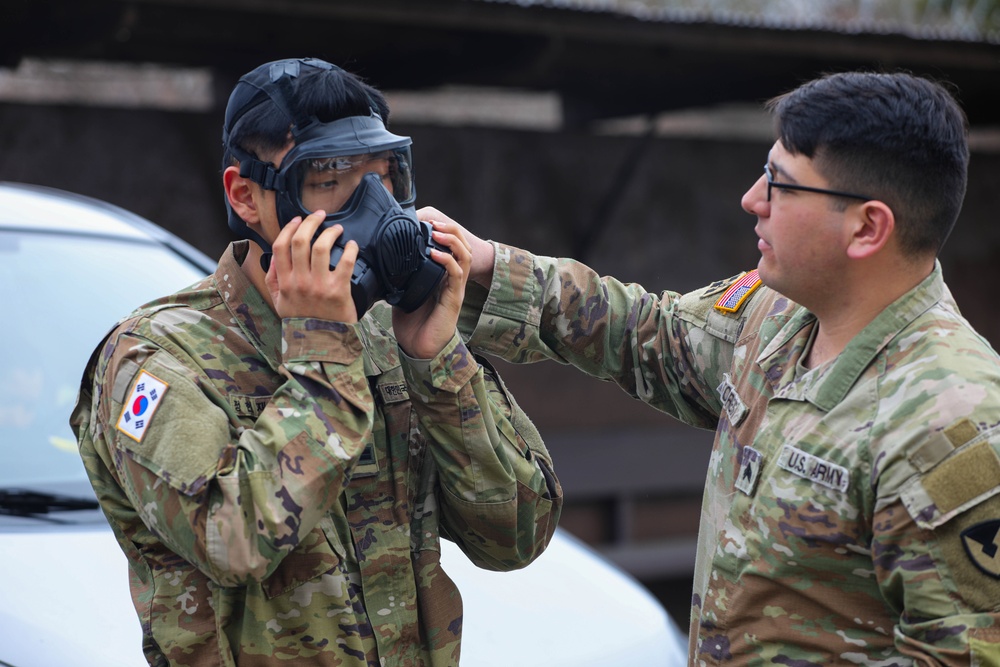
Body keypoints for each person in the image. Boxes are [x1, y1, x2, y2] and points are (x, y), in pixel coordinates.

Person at [436, 71, 1000, 663]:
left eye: (780, 184)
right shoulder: (774, 312)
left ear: (867, 226)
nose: (752, 199)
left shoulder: (953, 424)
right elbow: (648, 333)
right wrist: (483, 265)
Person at [70, 57, 561, 667]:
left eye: (385, 178)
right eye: (329, 182)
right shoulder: (156, 358)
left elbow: (516, 535)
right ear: (246, 196)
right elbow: (234, 541)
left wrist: (438, 367)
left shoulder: (389, 332)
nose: (374, 210)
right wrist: (322, 350)